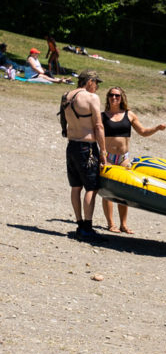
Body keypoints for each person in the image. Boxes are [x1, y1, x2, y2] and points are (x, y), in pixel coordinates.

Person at [100, 87, 166, 233]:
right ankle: (111, 224)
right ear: (108, 98)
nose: (114, 98)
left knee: (123, 192)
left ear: (121, 97)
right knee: (108, 193)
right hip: (108, 158)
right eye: (111, 95)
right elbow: (96, 136)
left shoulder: (129, 115)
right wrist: (101, 156)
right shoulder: (103, 116)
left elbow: (143, 132)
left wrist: (156, 128)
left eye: (117, 95)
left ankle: (123, 224)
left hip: (123, 158)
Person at [62, 70, 107, 241]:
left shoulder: (67, 96)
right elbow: (98, 126)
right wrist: (103, 151)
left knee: (75, 187)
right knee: (91, 187)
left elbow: (64, 123)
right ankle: (87, 227)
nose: (97, 87)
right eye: (96, 83)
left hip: (71, 145)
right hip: (86, 147)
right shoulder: (91, 97)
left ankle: (80, 223)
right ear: (89, 81)